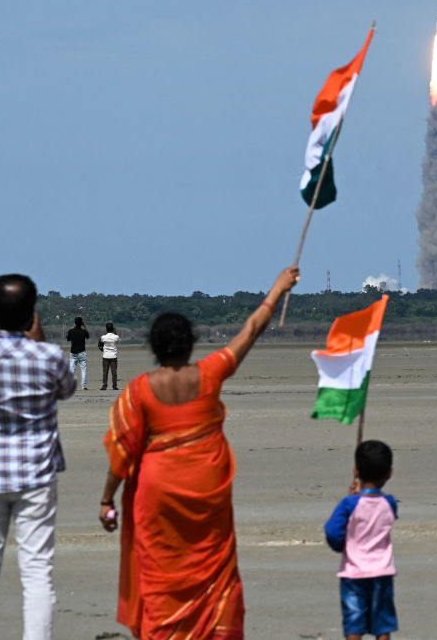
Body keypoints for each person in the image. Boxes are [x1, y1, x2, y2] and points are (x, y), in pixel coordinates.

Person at [98, 266, 299, 639]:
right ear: (190, 344)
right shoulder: (209, 373)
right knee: (215, 575)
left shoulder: (139, 391)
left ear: (155, 348)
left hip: (156, 497)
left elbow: (122, 455)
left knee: (160, 576)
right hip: (207, 494)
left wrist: (107, 500)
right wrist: (277, 288)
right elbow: (252, 329)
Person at [0, 274, 76, 640]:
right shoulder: (48, 356)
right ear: (32, 314)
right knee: (37, 571)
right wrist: (37, 341)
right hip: (35, 476)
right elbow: (67, 389)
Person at [325, 440, 399, 640]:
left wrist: (341, 545)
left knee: (354, 623)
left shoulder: (349, 504)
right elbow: (375, 503)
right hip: (382, 571)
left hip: (354, 573)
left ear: (356, 470)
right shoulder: (389, 503)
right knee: (382, 624)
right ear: (389, 473)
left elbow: (333, 532)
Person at [66, 316, 89, 390]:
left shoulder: (71, 331)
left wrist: (73, 327)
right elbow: (88, 336)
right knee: (83, 369)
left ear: (75, 323)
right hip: (82, 352)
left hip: (73, 353)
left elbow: (68, 339)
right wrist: (85, 326)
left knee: (72, 369)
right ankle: (84, 386)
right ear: (81, 323)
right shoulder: (83, 331)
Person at [99, 321, 120, 390]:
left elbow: (100, 343)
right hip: (113, 356)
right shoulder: (116, 337)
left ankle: (104, 386)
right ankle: (114, 386)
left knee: (105, 372)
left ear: (106, 329)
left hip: (105, 356)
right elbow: (118, 340)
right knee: (114, 372)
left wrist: (103, 350)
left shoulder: (103, 337)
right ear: (113, 329)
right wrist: (115, 332)